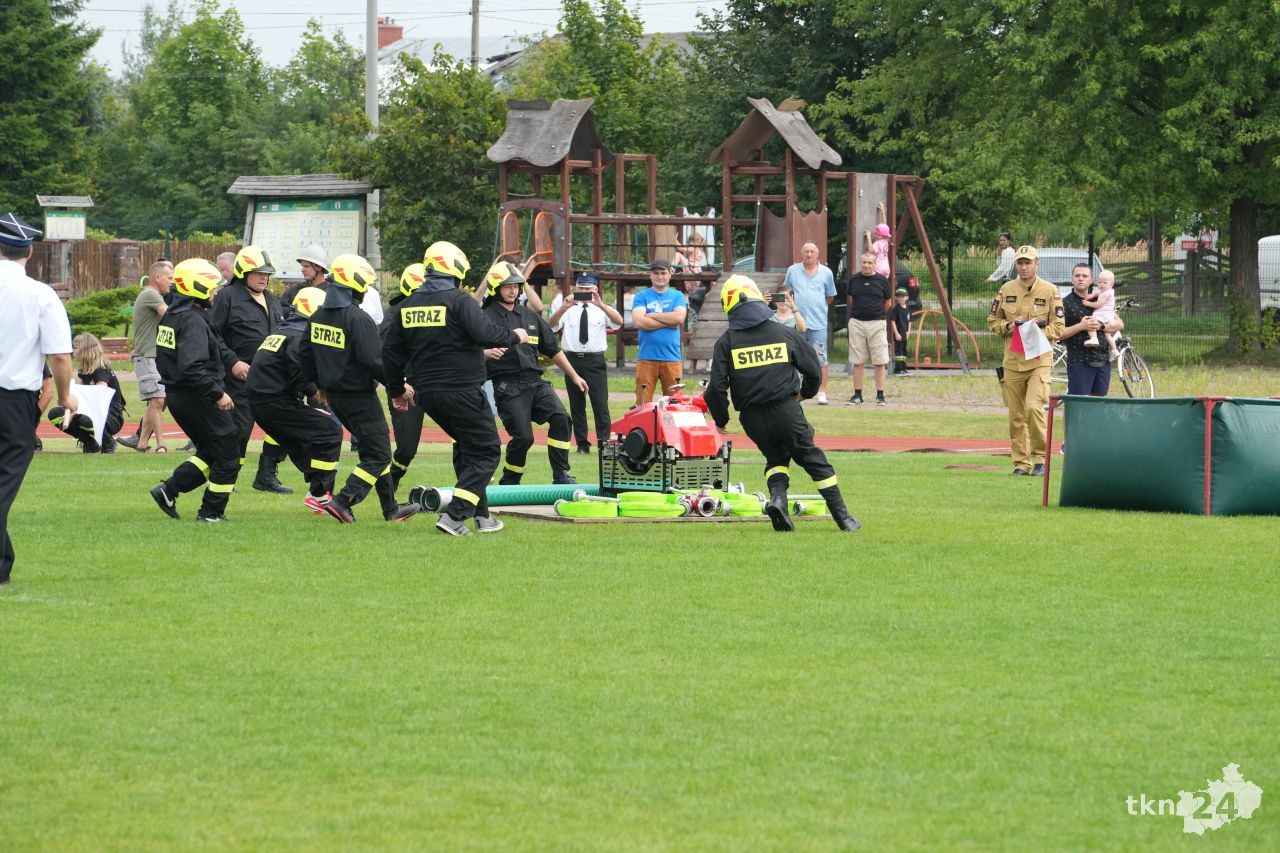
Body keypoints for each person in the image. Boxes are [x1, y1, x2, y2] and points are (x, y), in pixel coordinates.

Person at [383, 241, 529, 536]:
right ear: (455, 269)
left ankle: (483, 516)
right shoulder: (459, 300)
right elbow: (486, 333)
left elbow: (390, 355)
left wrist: (397, 391)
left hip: (427, 393)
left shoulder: (407, 306)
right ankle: (454, 516)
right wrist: (515, 335)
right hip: (462, 390)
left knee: (468, 446)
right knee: (487, 451)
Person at [705, 275, 860, 534]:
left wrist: (721, 420)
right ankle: (844, 518)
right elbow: (813, 370)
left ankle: (778, 500)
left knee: (775, 457)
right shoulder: (783, 333)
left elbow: (716, 389)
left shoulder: (726, 342)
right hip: (785, 411)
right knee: (812, 458)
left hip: (752, 419)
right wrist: (804, 395)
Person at [298, 253, 418, 524]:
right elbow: (375, 362)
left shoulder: (317, 316)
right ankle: (343, 501)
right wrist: (399, 388)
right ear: (354, 286)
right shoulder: (358, 319)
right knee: (380, 454)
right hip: (359, 398)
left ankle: (391, 508)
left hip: (334, 397)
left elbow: (304, 354)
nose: (365, 290)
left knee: (373, 449)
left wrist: (318, 386)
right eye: (364, 285)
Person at [0, 212, 76, 584]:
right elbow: (59, 356)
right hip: (13, 400)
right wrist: (65, 396)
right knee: (5, 482)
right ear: (29, 251)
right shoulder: (40, 294)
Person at [149, 259, 240, 522]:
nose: (216, 293)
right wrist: (217, 394)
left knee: (210, 452)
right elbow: (192, 366)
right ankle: (211, 513)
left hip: (179, 395)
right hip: (197, 396)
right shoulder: (192, 320)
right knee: (228, 452)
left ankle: (168, 490)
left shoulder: (173, 315)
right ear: (197, 288)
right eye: (212, 288)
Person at [482, 262, 589, 485]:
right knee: (523, 437)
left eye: (516, 286)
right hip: (507, 385)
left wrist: (574, 376)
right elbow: (467, 352)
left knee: (561, 418)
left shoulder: (530, 316)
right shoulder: (484, 318)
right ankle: (510, 480)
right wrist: (485, 354)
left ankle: (561, 474)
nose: (513, 291)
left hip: (536, 382)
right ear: (495, 288)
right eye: (507, 286)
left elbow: (552, 349)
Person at [246, 286, 343, 514]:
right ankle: (320, 494)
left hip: (263, 402)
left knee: (303, 443)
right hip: (275, 402)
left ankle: (316, 490)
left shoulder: (282, 332)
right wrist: (317, 392)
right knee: (330, 431)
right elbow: (300, 372)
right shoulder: (298, 337)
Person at [208, 245, 292, 494]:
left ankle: (266, 475)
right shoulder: (227, 297)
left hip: (271, 378)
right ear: (244, 273)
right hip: (238, 379)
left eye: (267, 273)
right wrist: (232, 362)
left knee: (282, 425)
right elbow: (213, 336)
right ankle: (226, 476)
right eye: (258, 273)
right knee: (239, 430)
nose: (264, 278)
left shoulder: (272, 300)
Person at [986, 245, 1065, 476]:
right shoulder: (1006, 289)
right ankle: (1021, 463)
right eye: (1020, 263)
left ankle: (1041, 458)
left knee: (1033, 408)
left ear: (1036, 264)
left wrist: (1038, 330)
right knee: (1016, 415)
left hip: (1039, 360)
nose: (1023, 267)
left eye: (1028, 262)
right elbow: (993, 321)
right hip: (1013, 361)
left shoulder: (1050, 291)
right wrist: (1008, 326)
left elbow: (1059, 327)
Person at [548, 272, 623, 454]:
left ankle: (604, 444)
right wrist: (563, 308)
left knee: (600, 404)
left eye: (587, 289)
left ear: (595, 289)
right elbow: (551, 325)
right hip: (572, 359)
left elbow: (618, 322)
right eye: (580, 288)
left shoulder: (602, 308)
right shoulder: (566, 306)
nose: (583, 292)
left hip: (594, 360)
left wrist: (601, 305)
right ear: (576, 288)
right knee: (576, 404)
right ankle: (582, 444)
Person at [119, 260, 173, 453]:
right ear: (157, 277)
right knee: (158, 400)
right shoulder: (151, 294)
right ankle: (161, 445)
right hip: (147, 357)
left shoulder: (152, 295)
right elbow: (170, 316)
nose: (172, 282)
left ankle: (142, 443)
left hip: (150, 355)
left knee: (154, 401)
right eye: (169, 278)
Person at [47, 333, 125, 452]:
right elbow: (77, 396)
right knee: (55, 414)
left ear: (85, 349)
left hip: (111, 416)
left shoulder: (101, 369)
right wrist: (67, 401)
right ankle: (89, 443)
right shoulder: (84, 371)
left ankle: (108, 442)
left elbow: (100, 399)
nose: (73, 351)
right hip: (91, 412)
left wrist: (75, 414)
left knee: (85, 420)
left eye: (76, 347)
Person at [782, 241, 836, 404]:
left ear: (817, 254)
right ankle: (796, 390)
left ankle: (821, 391)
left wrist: (816, 304)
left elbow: (830, 297)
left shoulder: (826, 272)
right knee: (793, 356)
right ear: (801, 253)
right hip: (795, 321)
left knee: (820, 357)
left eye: (812, 251)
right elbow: (786, 292)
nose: (809, 254)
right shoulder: (792, 270)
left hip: (818, 322)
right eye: (806, 251)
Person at [1060, 263, 1123, 397]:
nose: (1080, 278)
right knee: (1078, 404)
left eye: (1085, 276)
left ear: (1091, 280)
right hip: (1079, 362)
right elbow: (1059, 334)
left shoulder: (1100, 299)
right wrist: (1081, 326)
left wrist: (1101, 326)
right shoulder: (1065, 303)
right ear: (1072, 279)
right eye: (1077, 276)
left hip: (1103, 361)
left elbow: (1119, 324)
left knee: (1099, 404)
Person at [632, 258, 688, 404]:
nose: (660, 276)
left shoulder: (678, 295)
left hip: (672, 357)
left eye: (663, 273)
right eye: (656, 273)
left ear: (670, 274)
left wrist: (652, 315)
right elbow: (638, 321)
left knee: (674, 403)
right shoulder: (641, 296)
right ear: (650, 275)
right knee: (642, 404)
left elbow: (679, 318)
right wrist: (669, 322)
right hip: (646, 357)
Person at [845, 252, 893, 406]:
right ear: (860, 263)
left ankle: (880, 395)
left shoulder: (882, 281)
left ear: (875, 264)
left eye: (869, 263)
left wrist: (876, 314)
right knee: (857, 360)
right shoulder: (854, 280)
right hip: (857, 323)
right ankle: (857, 395)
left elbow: (888, 303)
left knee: (879, 360)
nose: (866, 265)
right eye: (864, 262)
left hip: (877, 323)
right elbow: (851, 300)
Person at [1081, 270, 1120, 360]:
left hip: (1102, 315)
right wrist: (1093, 295)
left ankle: (1094, 338)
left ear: (1111, 284)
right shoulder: (1109, 291)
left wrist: (1088, 303)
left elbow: (1098, 304)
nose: (1101, 284)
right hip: (1109, 317)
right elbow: (1099, 294)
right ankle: (1114, 350)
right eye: (1099, 282)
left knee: (1091, 323)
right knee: (1108, 335)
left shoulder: (1105, 294)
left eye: (1104, 283)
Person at [890, 287, 912, 376]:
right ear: (896, 298)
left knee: (904, 351)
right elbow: (892, 321)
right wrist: (896, 333)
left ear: (907, 297)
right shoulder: (896, 309)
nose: (901, 299)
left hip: (905, 334)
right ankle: (898, 370)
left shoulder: (908, 309)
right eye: (898, 297)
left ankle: (904, 368)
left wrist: (908, 332)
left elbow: (909, 321)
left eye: (902, 297)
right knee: (899, 352)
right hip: (898, 334)